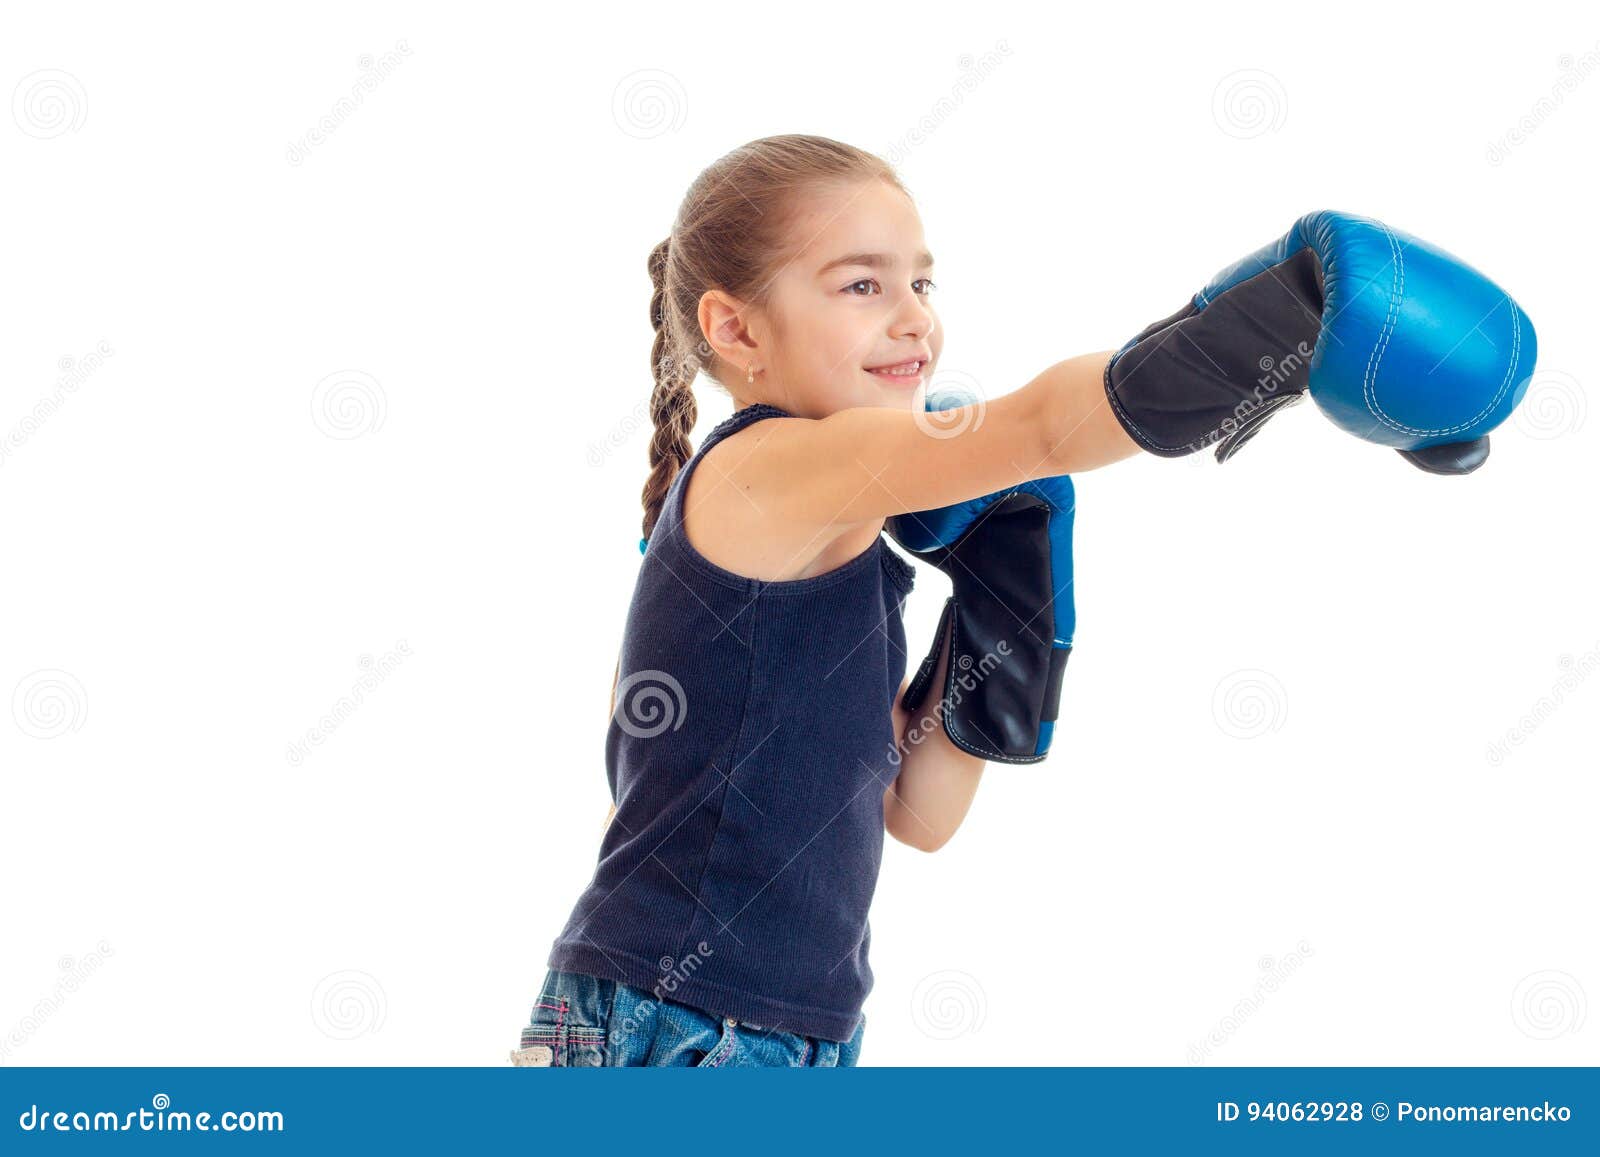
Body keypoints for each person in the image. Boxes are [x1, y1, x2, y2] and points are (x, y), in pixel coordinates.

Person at [513, 134, 1536, 1068]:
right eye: (862, 284)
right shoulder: (770, 467)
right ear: (735, 328)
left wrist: (1007, 599)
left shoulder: (839, 536)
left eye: (920, 280)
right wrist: (1275, 320)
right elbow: (1040, 426)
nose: (913, 317)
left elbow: (917, 815)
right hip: (677, 1021)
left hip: (788, 1026)